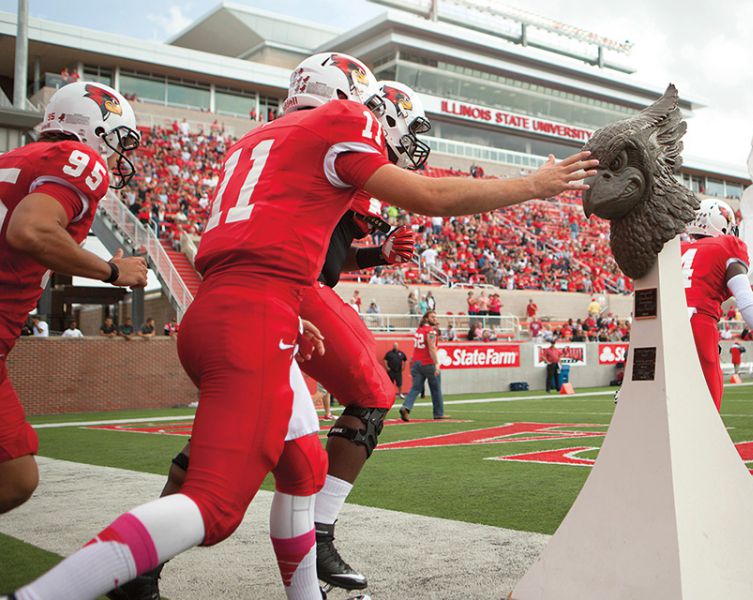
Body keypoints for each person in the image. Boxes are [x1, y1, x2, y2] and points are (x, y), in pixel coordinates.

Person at [16, 50, 594, 600]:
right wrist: (532, 186)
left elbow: (282, 238)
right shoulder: (341, 122)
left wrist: (302, 296)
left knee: (304, 465)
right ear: (346, 98)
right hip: (257, 310)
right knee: (218, 506)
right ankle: (73, 585)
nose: (372, 117)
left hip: (239, 303)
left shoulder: (258, 139)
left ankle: (302, 584)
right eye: (368, 104)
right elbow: (428, 195)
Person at [0, 82, 145, 517]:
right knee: (15, 478)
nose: (118, 153)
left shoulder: (13, 159)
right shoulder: (76, 159)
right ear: (94, 129)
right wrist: (114, 272)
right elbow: (30, 231)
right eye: (116, 138)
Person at [681, 199, 753, 411]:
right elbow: (745, 298)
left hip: (665, 323)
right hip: (698, 323)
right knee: (709, 410)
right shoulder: (727, 246)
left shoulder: (677, 249)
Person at [399, 310, 447, 421]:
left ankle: (406, 407)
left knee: (415, 388)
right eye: (432, 317)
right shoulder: (431, 332)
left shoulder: (419, 330)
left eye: (435, 316)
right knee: (436, 389)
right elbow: (431, 348)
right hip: (428, 363)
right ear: (426, 318)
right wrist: (436, 364)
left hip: (416, 362)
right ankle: (438, 413)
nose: (435, 318)